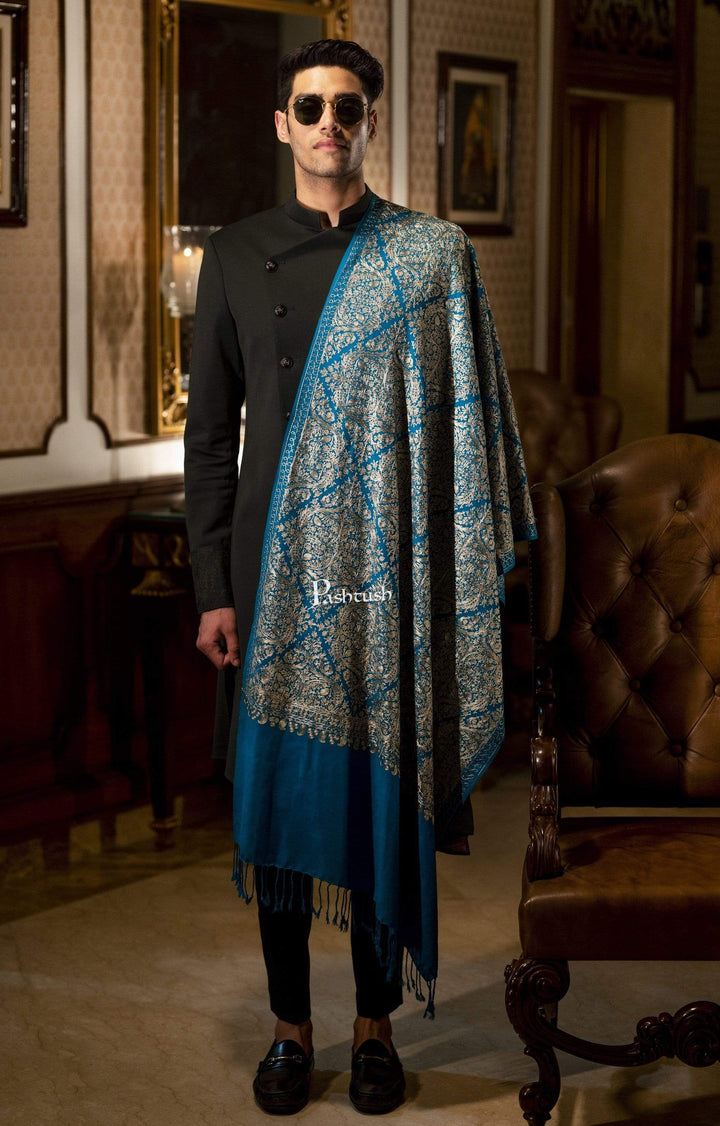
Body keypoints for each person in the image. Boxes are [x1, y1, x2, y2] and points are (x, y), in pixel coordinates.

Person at [184, 38, 535, 1116]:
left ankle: (376, 1026)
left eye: (348, 106)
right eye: (310, 107)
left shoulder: (428, 256)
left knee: (381, 798)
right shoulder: (235, 255)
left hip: (390, 575)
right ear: (282, 124)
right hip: (274, 576)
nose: (329, 123)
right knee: (284, 813)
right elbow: (210, 440)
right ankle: (291, 1030)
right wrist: (212, 588)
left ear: (370, 122)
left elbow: (465, 426)